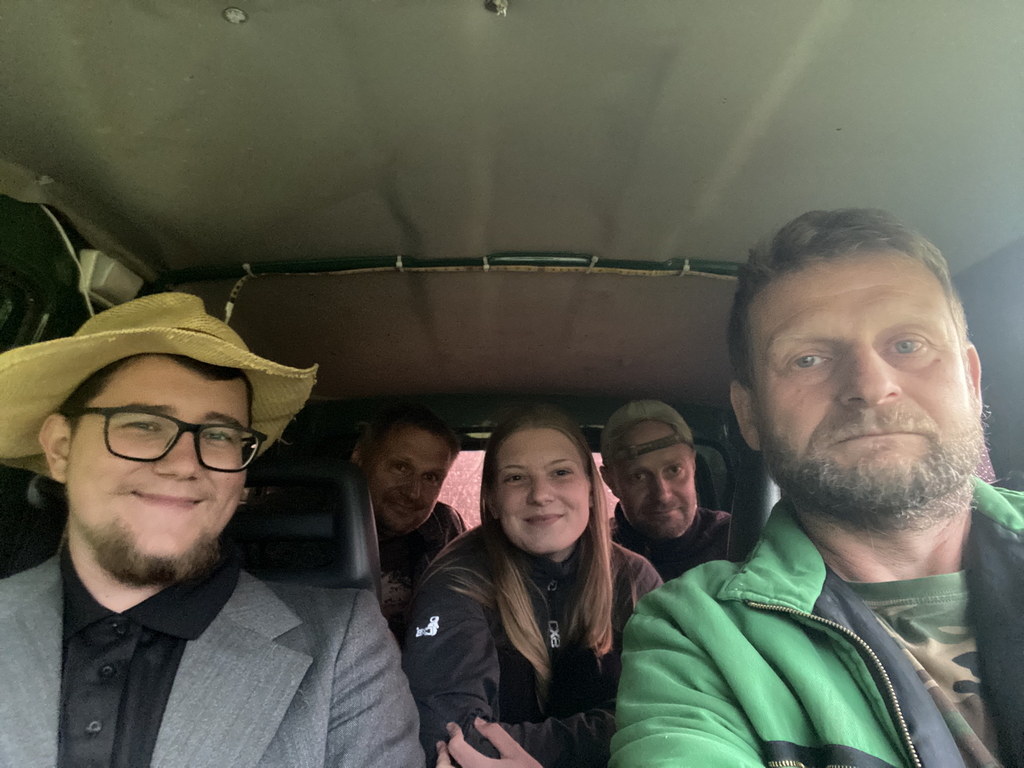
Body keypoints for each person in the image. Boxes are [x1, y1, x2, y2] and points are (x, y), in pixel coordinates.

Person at [611, 208, 1024, 768]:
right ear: (749, 414)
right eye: (808, 359)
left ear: (972, 381)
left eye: (908, 344)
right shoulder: (694, 632)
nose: (871, 385)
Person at [0, 292, 424, 767]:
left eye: (219, 435)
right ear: (60, 448)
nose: (184, 464)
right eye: (144, 425)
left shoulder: (341, 647)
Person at [403, 404, 662, 768]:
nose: (540, 494)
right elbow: (451, 740)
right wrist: (616, 731)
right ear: (492, 499)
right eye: (515, 478)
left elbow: (674, 717)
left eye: (560, 472)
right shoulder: (456, 583)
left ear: (591, 489)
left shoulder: (633, 579)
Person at [351, 402, 464, 642]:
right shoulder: (299, 525)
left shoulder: (444, 527)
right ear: (359, 458)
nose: (413, 492)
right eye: (401, 467)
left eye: (430, 477)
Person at [599, 400, 731, 581]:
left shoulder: (736, 539)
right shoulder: (594, 556)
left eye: (674, 470)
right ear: (610, 481)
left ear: (693, 465)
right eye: (639, 476)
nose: (662, 495)